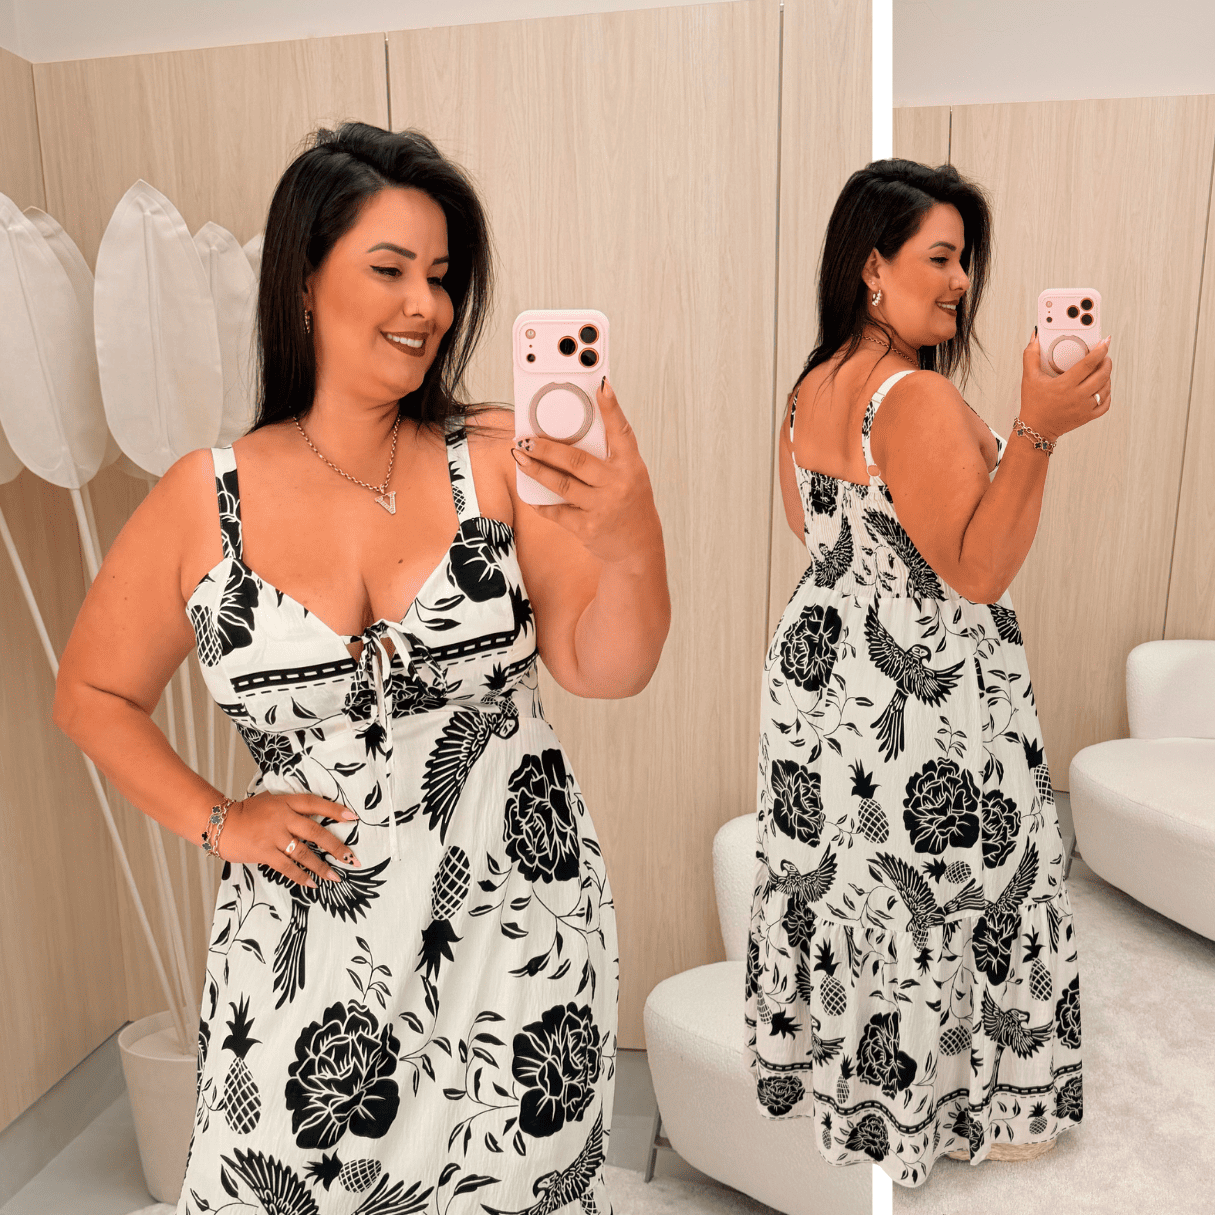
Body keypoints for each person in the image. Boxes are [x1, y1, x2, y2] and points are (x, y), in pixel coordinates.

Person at [52, 122, 669, 1214]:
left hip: (516, 928)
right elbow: (91, 694)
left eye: (441, 275)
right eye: (389, 269)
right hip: (305, 947)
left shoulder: (497, 457)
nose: (425, 305)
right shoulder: (205, 497)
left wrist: (630, 533)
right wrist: (219, 821)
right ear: (303, 281)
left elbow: (604, 666)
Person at [744, 158, 1108, 1187]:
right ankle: (959, 1107)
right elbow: (979, 571)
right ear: (872, 267)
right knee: (953, 888)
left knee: (851, 887)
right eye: (940, 258)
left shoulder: (810, 388)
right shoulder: (917, 399)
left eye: (965, 261)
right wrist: (1035, 431)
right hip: (922, 701)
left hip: (821, 683)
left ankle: (855, 1090)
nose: (960, 282)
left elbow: (808, 527)